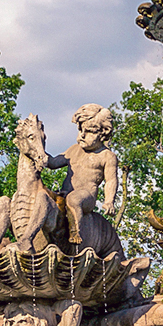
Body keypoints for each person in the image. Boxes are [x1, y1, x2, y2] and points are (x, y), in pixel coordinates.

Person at [46, 104, 119, 245]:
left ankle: (76, 233)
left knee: (74, 199)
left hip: (86, 196)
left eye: (90, 132)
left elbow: (111, 180)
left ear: (103, 133)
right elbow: (53, 163)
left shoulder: (106, 156)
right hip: (64, 193)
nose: (82, 136)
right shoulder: (74, 150)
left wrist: (109, 201)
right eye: (80, 130)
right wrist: (37, 152)